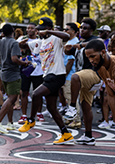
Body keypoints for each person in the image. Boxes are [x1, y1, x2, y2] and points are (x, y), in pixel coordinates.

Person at [18, 17, 73, 145]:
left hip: (57, 75)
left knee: (36, 94)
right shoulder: (38, 42)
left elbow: (66, 36)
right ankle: (66, 134)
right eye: (39, 29)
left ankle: (31, 120)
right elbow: (22, 45)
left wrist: (51, 32)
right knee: (51, 108)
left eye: (42, 30)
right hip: (47, 75)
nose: (40, 32)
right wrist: (23, 42)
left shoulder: (56, 39)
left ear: (49, 29)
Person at [64, 18, 102, 138]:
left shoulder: (94, 40)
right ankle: (88, 136)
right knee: (86, 107)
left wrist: (79, 45)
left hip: (93, 74)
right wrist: (67, 48)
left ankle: (72, 107)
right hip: (83, 76)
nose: (82, 30)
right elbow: (68, 52)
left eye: (85, 28)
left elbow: (99, 41)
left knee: (75, 77)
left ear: (91, 30)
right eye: (81, 28)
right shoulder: (79, 42)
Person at [0, 24, 28, 133]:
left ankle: (10, 123)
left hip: (3, 72)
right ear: (13, 30)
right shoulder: (14, 42)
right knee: (12, 98)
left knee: (9, 98)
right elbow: (14, 59)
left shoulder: (0, 41)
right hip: (13, 73)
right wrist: (25, 63)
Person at [17, 23, 45, 124]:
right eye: (28, 28)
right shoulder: (22, 39)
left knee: (39, 93)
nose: (29, 30)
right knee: (24, 92)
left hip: (39, 70)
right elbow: (17, 48)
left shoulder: (41, 39)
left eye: (31, 28)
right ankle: (24, 115)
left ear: (36, 30)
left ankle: (39, 113)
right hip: (26, 69)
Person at [62, 22, 82, 129]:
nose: (65, 31)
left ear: (74, 31)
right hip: (69, 74)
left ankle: (76, 120)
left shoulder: (74, 43)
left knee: (71, 98)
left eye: (67, 29)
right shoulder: (70, 41)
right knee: (68, 97)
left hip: (70, 75)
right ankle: (70, 118)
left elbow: (70, 61)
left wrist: (64, 75)